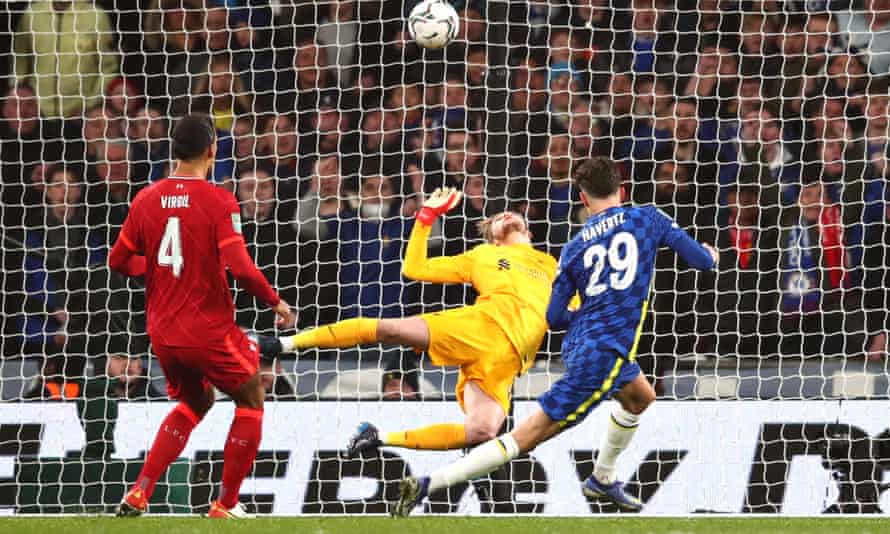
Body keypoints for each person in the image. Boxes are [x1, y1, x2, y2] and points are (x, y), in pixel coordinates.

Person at [391, 157, 718, 516]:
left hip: (581, 343)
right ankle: (427, 485)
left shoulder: (574, 247)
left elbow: (555, 318)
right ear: (621, 189)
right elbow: (701, 261)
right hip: (602, 352)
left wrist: (586, 311)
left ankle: (602, 479)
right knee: (525, 437)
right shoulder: (647, 218)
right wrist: (711, 253)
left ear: (582, 197)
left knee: (640, 396)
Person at [278, 187, 560, 455]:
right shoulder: (484, 255)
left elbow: (573, 309)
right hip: (479, 328)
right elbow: (414, 268)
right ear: (494, 237)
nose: (505, 215)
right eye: (498, 218)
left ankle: (380, 438)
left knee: (482, 431)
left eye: (511, 214)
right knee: (389, 329)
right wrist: (425, 219)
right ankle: (288, 343)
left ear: (530, 231)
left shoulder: (551, 264)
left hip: (507, 361)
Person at [108, 114, 294, 519]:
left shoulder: (145, 198)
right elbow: (242, 269)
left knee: (197, 399)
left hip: (162, 332)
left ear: (174, 151)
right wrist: (275, 301)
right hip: (207, 328)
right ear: (212, 150)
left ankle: (140, 491)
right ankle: (226, 504)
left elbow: (118, 260)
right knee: (251, 397)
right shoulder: (220, 200)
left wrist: (154, 270)